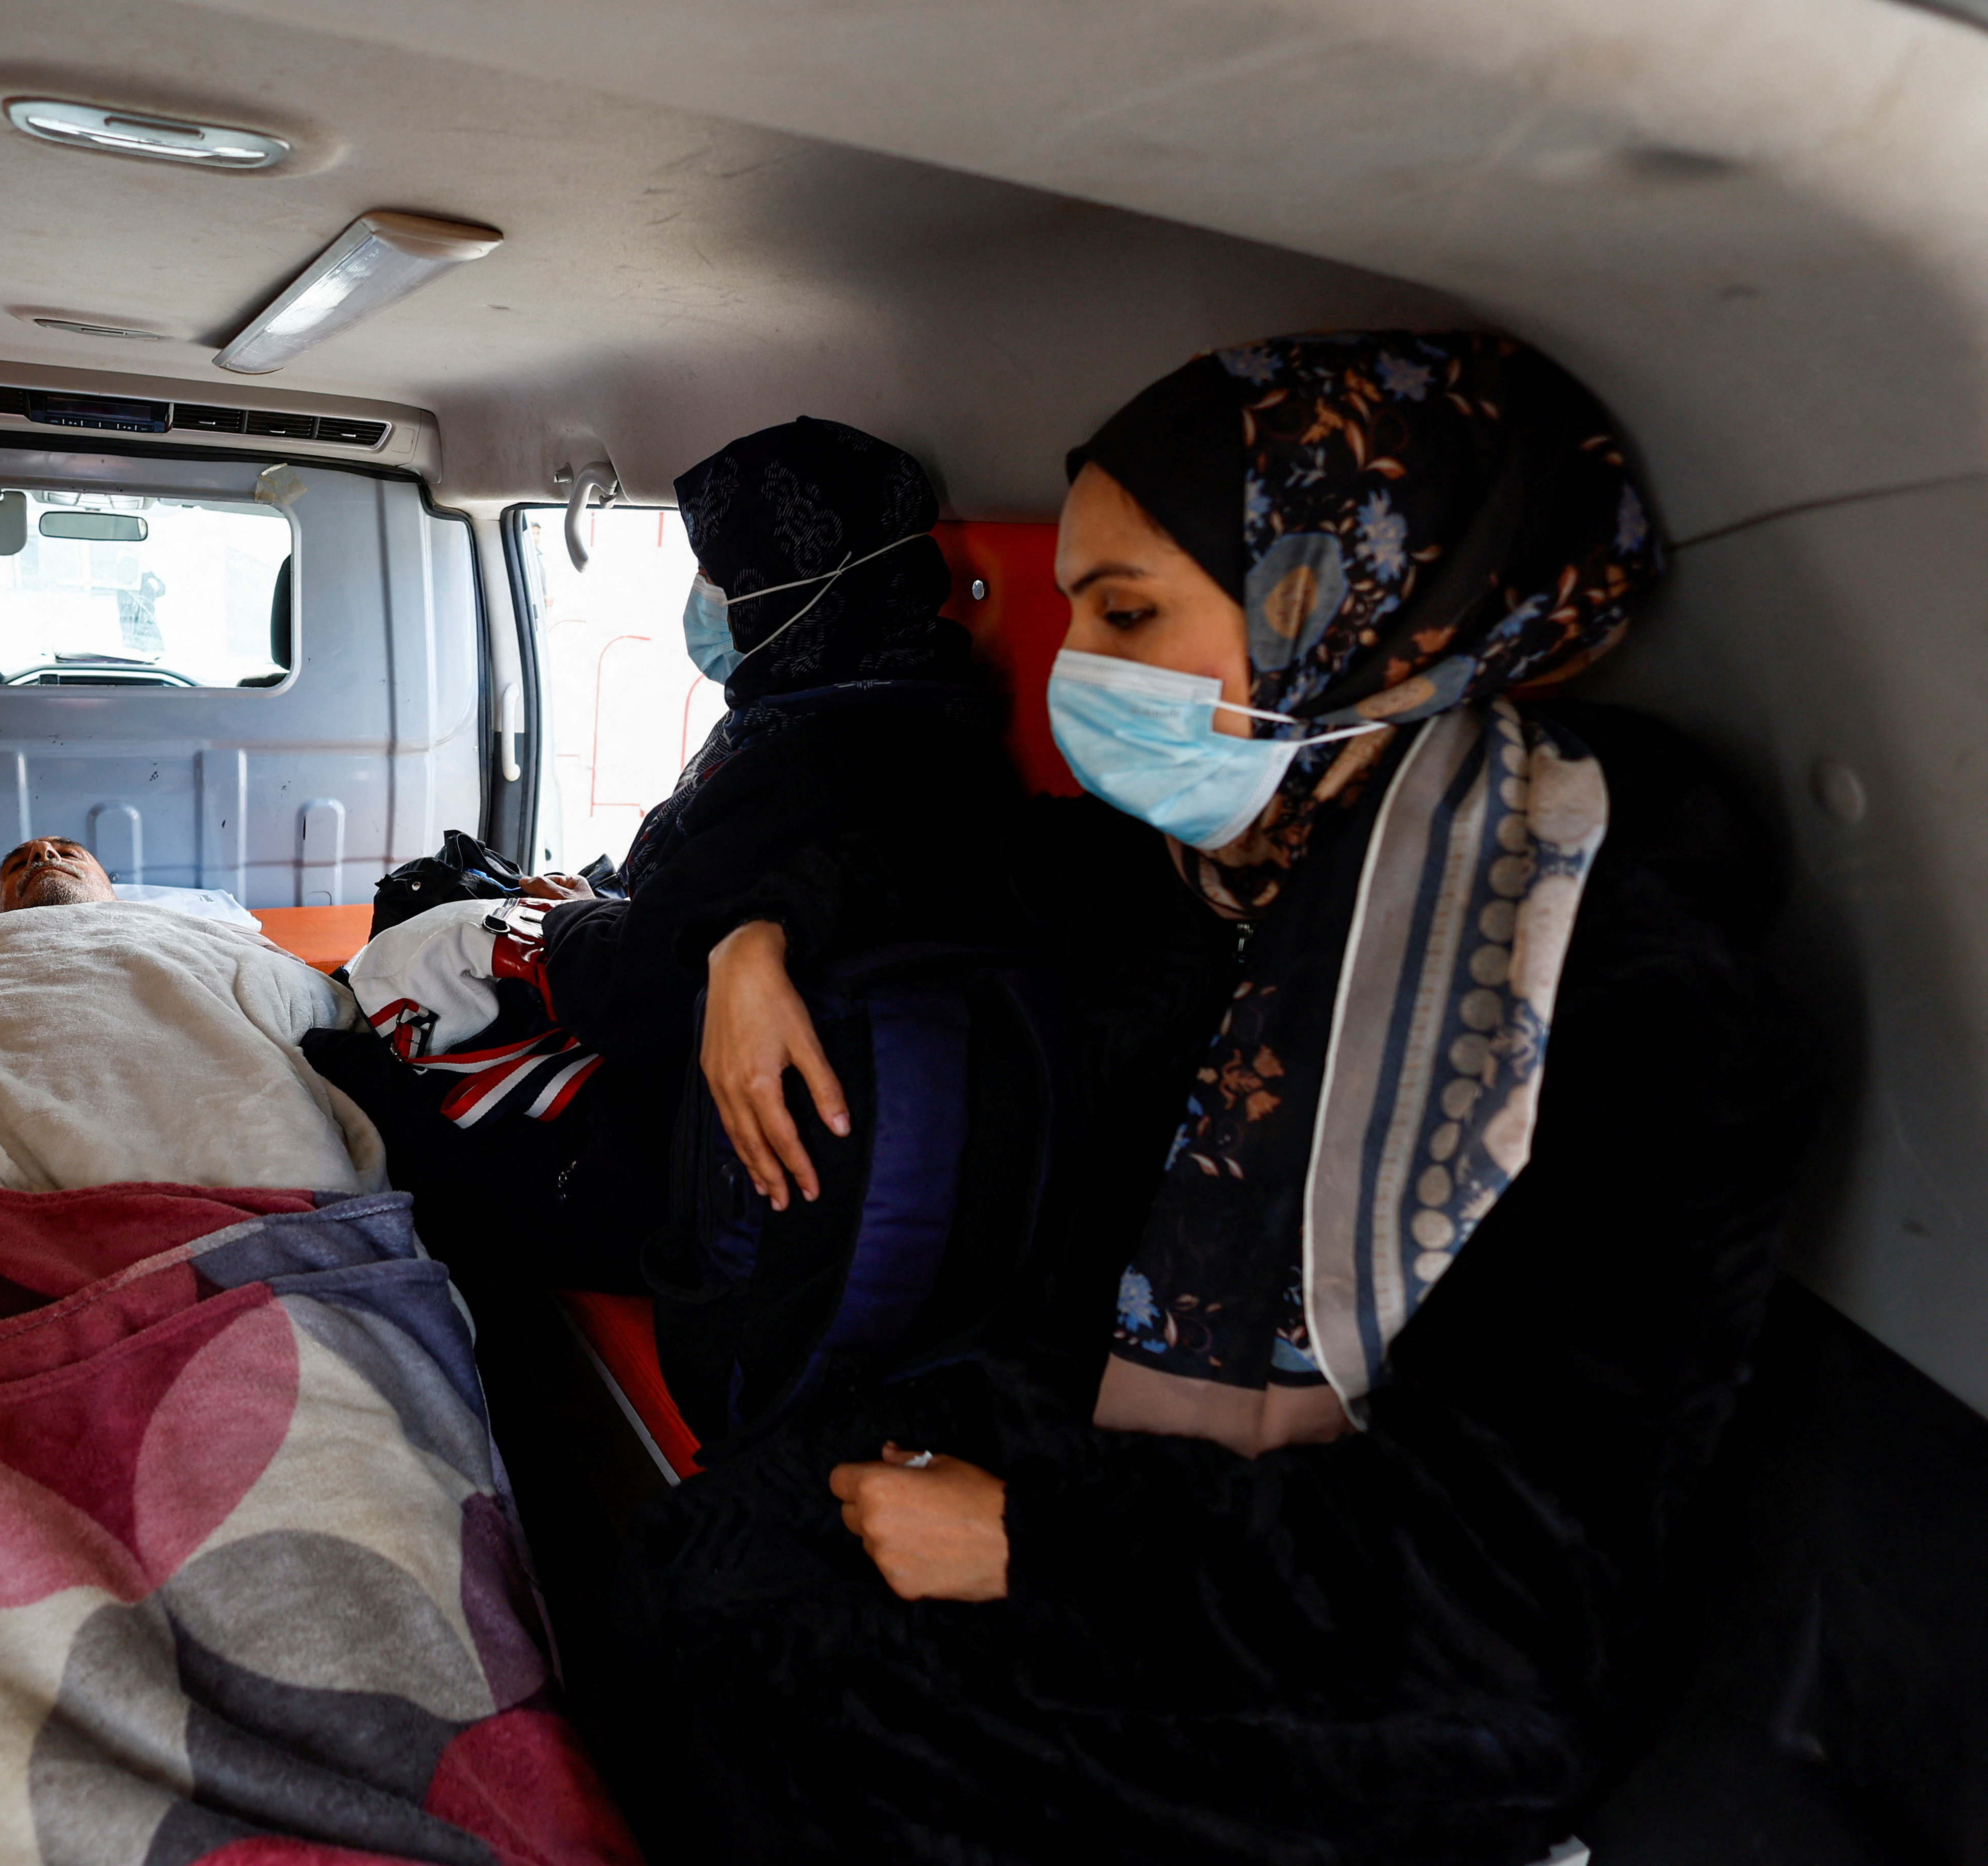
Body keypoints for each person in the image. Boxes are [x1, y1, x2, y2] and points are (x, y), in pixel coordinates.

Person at [616, 332, 1816, 1864]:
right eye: (1074, 615)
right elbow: (957, 860)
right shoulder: (1259, 849)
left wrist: (1029, 1547)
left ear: (1341, 602)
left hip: (1386, 1675)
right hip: (1166, 1487)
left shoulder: (1619, 990)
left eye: (1128, 615)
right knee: (703, 1562)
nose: (1080, 673)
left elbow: (1506, 1593)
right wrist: (754, 937)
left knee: (769, 1692)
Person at [312, 416, 1027, 1292]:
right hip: (670, 1091)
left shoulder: (836, 753)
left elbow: (647, 983)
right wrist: (599, 898)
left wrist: (564, 920)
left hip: (667, 1154)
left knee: (345, 1073)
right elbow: (706, 900)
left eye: (717, 576)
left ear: (791, 588)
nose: (703, 596)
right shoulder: (867, 704)